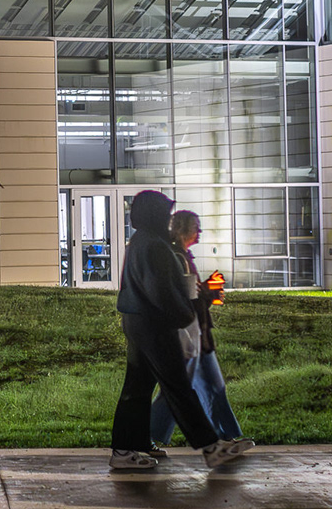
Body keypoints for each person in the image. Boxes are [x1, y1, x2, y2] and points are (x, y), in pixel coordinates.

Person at [108, 190, 245, 473]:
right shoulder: (155, 246)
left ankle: (129, 447)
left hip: (138, 322)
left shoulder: (141, 241)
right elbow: (162, 291)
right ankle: (212, 447)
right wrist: (185, 313)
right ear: (154, 214)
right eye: (166, 213)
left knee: (138, 388)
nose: (169, 219)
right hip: (155, 325)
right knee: (177, 386)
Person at [148, 209, 251, 454]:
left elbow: (189, 294)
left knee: (214, 386)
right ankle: (146, 435)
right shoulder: (177, 257)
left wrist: (205, 290)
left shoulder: (183, 256)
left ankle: (225, 436)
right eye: (197, 226)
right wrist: (208, 293)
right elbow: (185, 298)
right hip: (189, 335)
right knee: (176, 393)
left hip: (199, 334)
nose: (200, 231)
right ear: (184, 230)